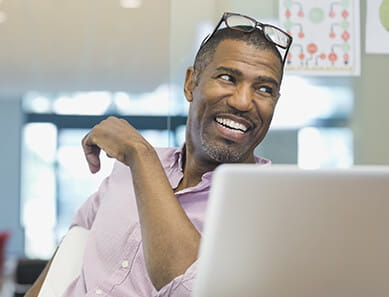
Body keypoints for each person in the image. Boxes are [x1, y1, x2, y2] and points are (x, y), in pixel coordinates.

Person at [26, 11, 292, 297]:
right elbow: (68, 253)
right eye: (227, 78)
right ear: (191, 83)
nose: (242, 101)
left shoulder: (271, 205)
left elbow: (191, 290)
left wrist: (141, 155)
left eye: (264, 89)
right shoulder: (124, 173)